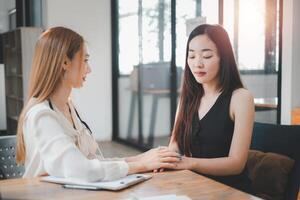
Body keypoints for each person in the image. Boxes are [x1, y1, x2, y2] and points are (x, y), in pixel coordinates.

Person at [16, 26, 180, 182]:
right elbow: (83, 170)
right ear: (65, 63)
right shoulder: (41, 115)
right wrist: (142, 165)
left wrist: (140, 157)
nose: (89, 69)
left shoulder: (69, 107)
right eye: (85, 60)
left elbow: (93, 162)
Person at [167, 24, 254, 192]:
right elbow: (174, 145)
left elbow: (236, 163)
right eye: (191, 56)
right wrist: (166, 160)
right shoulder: (188, 97)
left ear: (224, 57)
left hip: (229, 191)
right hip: (194, 186)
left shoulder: (240, 98)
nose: (197, 64)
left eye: (206, 56)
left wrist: (188, 163)